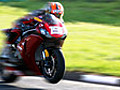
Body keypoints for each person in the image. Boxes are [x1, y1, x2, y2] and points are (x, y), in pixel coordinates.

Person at [0, 2, 65, 59]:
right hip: (31, 29)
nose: (55, 17)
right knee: (16, 30)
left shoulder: (60, 22)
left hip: (46, 34)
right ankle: (7, 50)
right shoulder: (38, 13)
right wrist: (28, 21)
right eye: (54, 15)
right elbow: (25, 18)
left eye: (58, 15)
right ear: (47, 11)